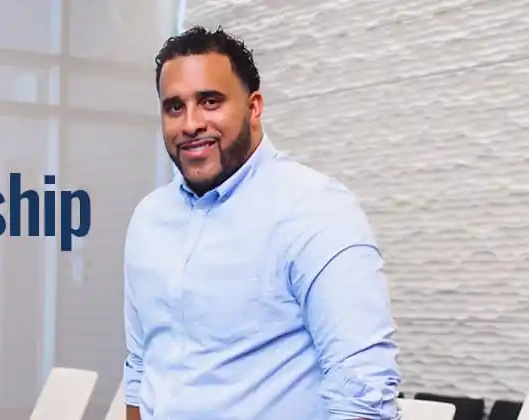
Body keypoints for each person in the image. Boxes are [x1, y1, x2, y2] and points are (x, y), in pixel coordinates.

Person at [121, 26, 403, 420]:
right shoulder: (149, 219)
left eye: (210, 101)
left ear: (253, 107)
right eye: (174, 107)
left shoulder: (316, 209)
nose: (190, 124)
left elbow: (362, 388)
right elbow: (140, 364)